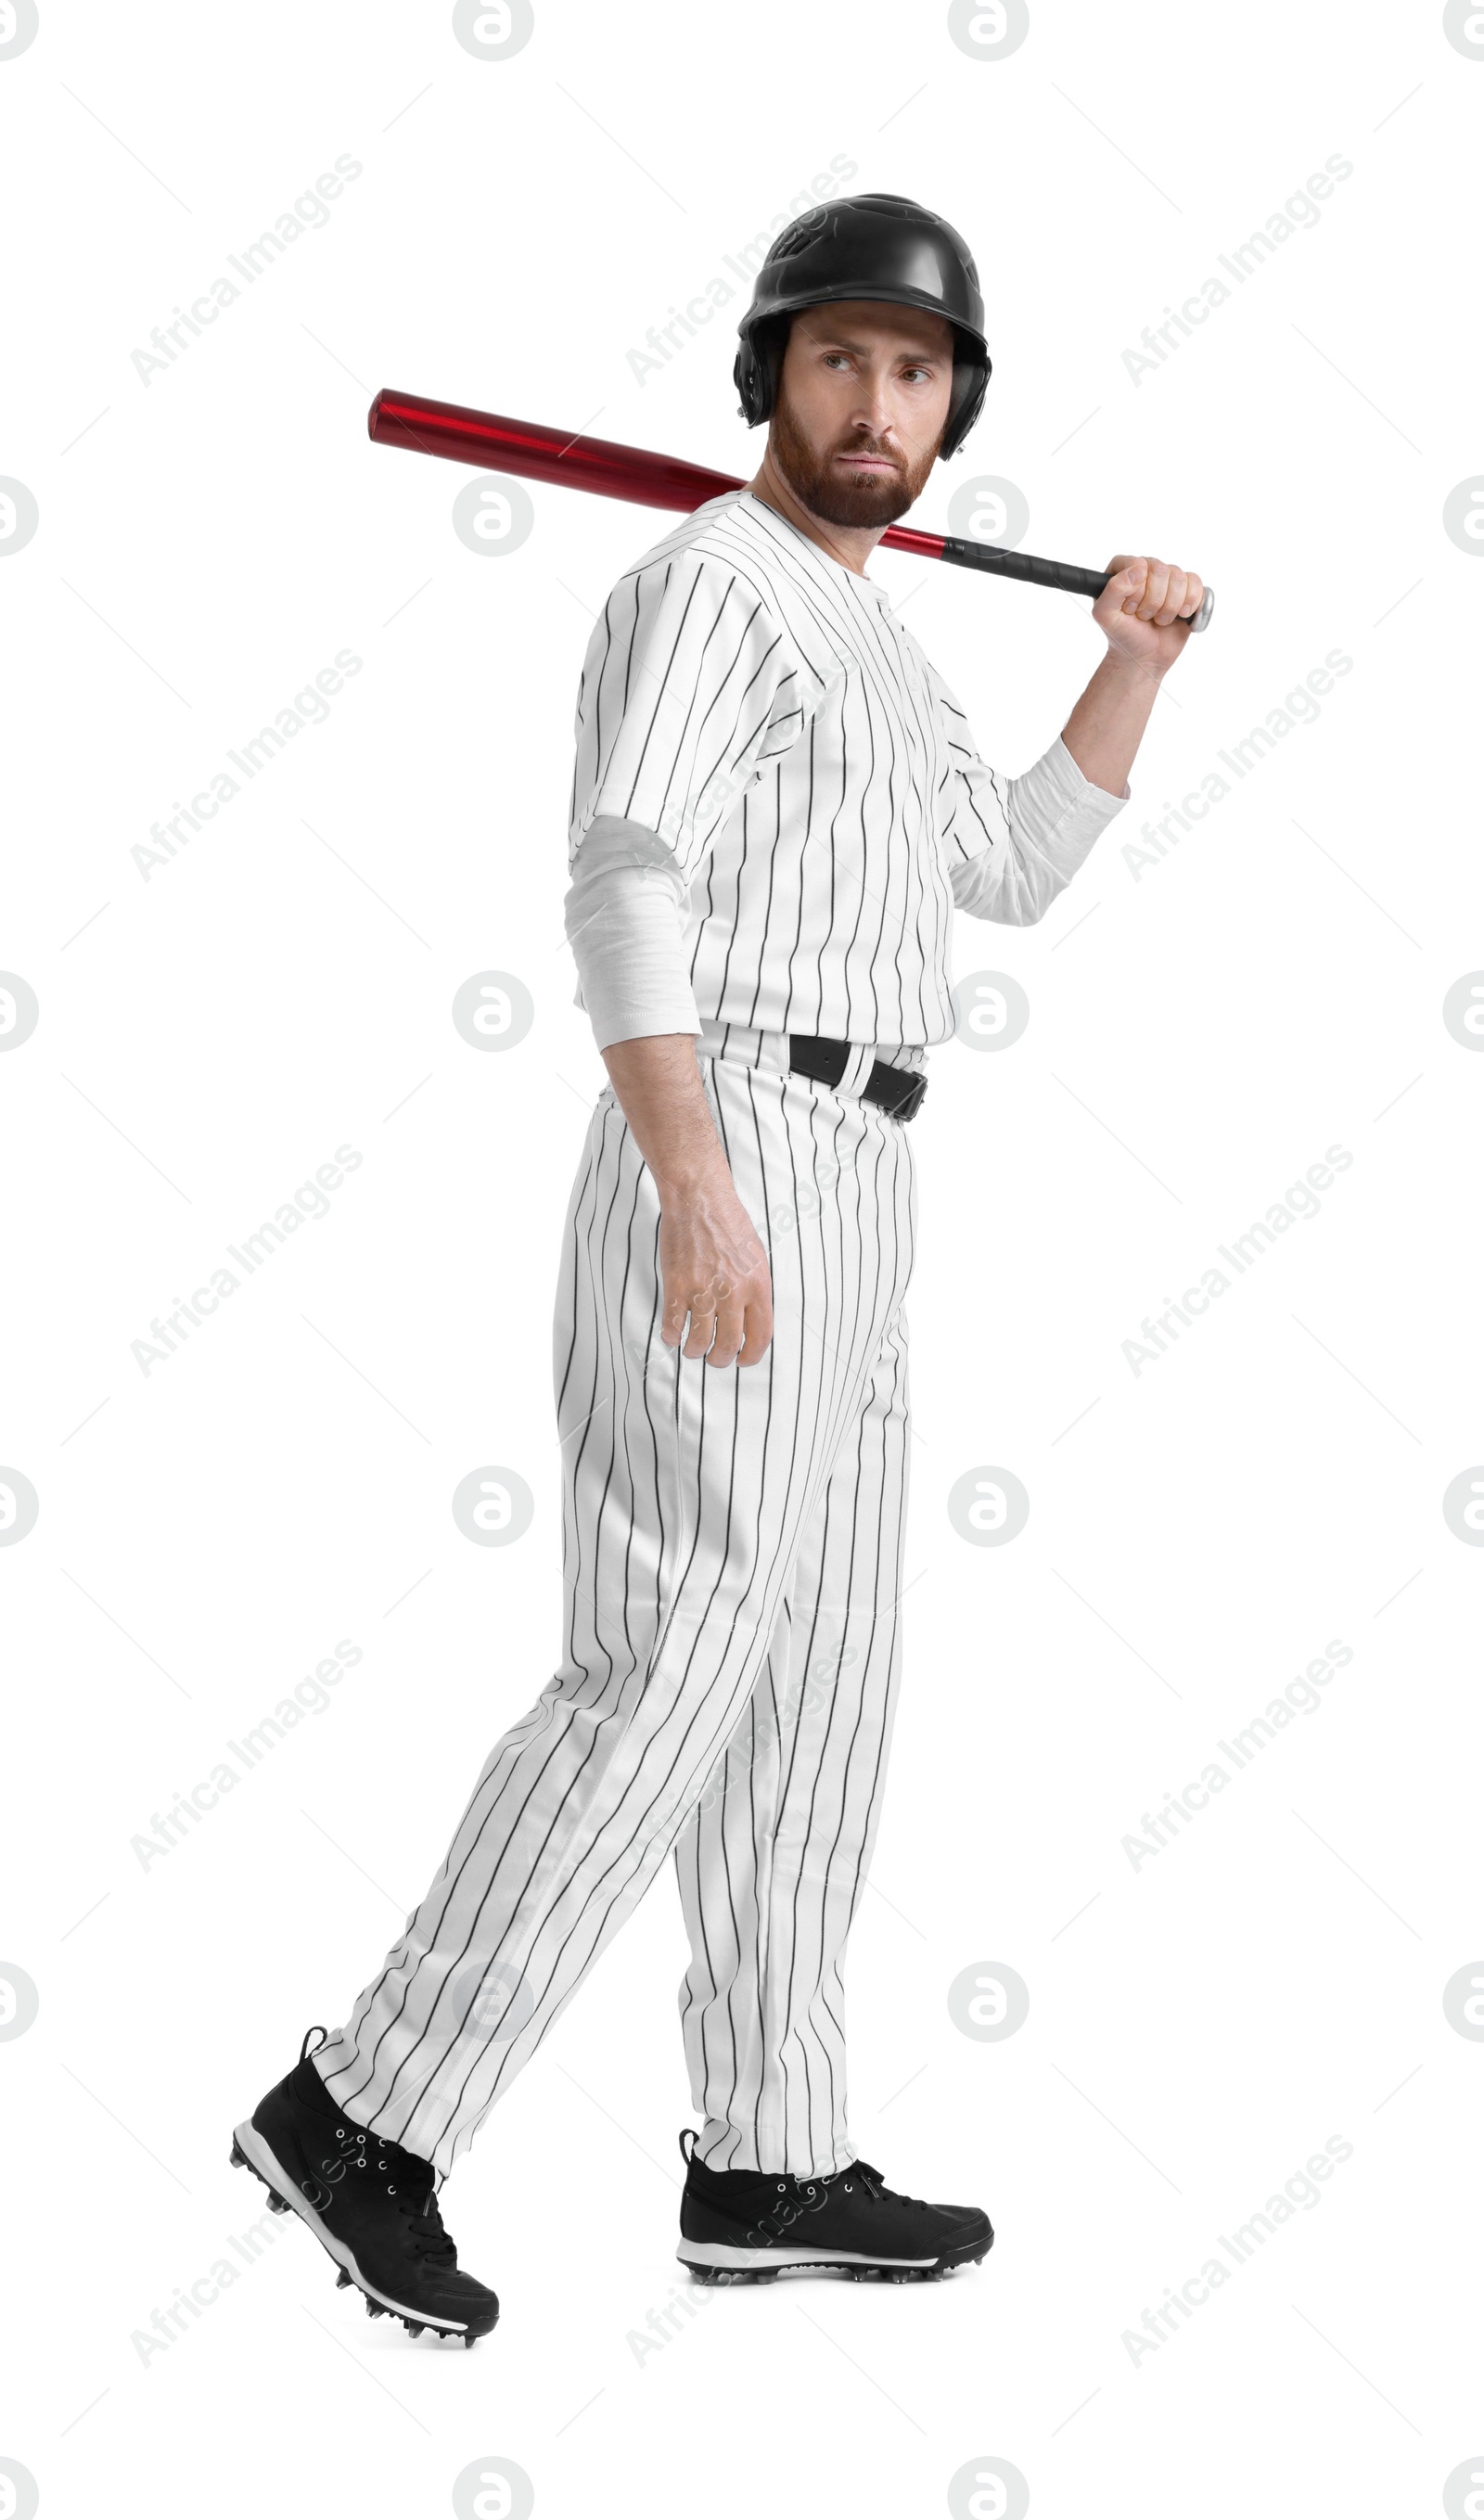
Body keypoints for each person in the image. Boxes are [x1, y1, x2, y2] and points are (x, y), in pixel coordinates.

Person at [232, 193, 1204, 2347]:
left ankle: (766, 2147)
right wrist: (690, 1177)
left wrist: (1122, 665)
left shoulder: (873, 630)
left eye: (916, 370)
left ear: (954, 413)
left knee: (813, 1686)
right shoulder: (703, 589)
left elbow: (1012, 873)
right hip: (730, 1125)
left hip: (870, 1169)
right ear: (767, 376)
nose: (878, 401)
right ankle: (364, 2103)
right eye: (839, 359)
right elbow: (622, 872)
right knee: (666, 1665)